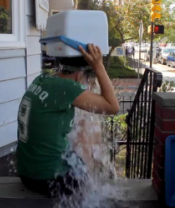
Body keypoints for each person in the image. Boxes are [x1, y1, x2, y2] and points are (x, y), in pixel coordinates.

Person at [16, 44, 119, 198]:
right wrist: (98, 66)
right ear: (79, 75)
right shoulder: (67, 87)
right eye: (86, 81)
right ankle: (90, 190)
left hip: (26, 173)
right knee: (88, 129)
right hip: (49, 180)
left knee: (78, 131)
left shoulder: (42, 79)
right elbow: (113, 107)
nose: (86, 88)